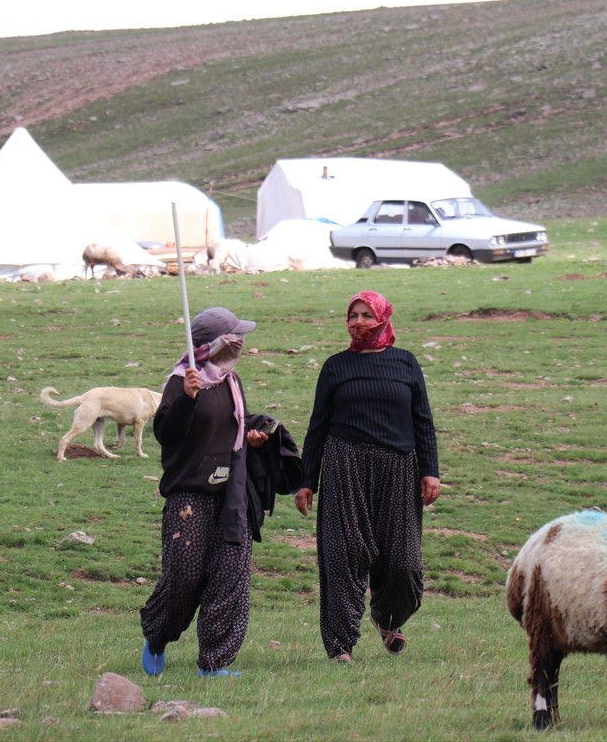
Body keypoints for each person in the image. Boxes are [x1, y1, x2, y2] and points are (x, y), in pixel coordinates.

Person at [295, 290, 441, 663]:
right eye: (352, 315)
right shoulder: (335, 367)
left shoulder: (405, 363)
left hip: (399, 470)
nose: (358, 322)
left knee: (403, 561)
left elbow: (422, 420)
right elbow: (318, 426)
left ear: (383, 319)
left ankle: (387, 618)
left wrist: (430, 471)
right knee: (343, 555)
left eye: (366, 315)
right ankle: (340, 644)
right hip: (345, 467)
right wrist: (307, 479)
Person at [139, 306, 269, 678]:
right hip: (189, 497)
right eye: (234, 336)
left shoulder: (232, 381)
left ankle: (214, 662)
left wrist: (254, 439)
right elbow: (165, 434)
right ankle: (157, 635)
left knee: (231, 577)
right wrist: (187, 400)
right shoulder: (183, 380)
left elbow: (233, 430)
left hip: (231, 494)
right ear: (212, 343)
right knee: (183, 579)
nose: (241, 342)